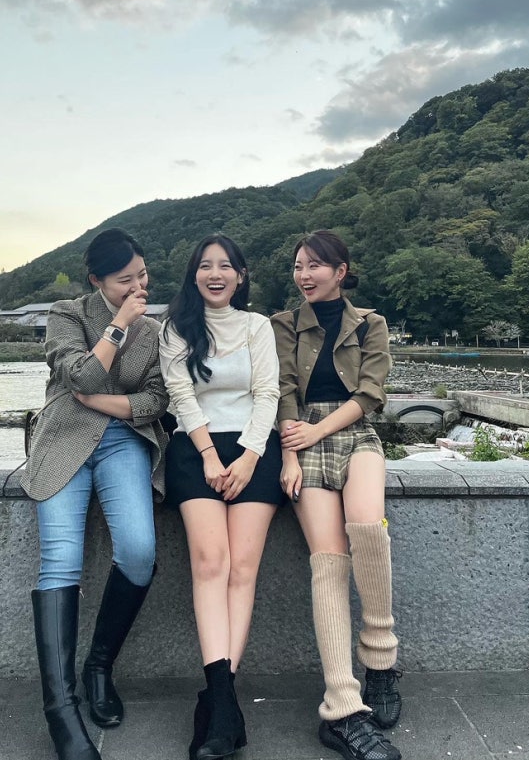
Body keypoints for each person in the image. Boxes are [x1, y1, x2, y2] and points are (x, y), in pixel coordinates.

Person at [21, 228, 168, 760]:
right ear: (97, 280)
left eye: (142, 275)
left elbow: (156, 399)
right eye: (125, 279)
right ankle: (61, 711)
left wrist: (101, 403)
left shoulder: (156, 332)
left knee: (139, 551)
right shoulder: (67, 314)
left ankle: (99, 666)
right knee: (60, 561)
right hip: (63, 439)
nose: (138, 287)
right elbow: (80, 373)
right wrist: (119, 324)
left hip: (123, 440)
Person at [270, 230, 402, 760]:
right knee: (328, 561)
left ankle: (381, 660)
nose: (304, 275)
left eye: (314, 266)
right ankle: (341, 702)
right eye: (298, 266)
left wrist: (316, 433)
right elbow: (280, 390)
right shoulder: (283, 324)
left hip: (351, 432)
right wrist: (289, 454)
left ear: (340, 271)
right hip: (299, 438)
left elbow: (370, 394)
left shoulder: (370, 323)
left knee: (368, 530)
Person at [159, 234, 283, 760]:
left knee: (243, 569)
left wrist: (250, 456)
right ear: (194, 275)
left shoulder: (258, 326)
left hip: (255, 451)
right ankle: (225, 704)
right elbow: (181, 395)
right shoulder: (176, 327)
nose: (216, 274)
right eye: (206, 266)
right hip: (196, 450)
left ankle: (217, 702)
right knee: (211, 563)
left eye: (226, 266)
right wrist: (210, 455)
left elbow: (268, 393)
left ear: (241, 275)